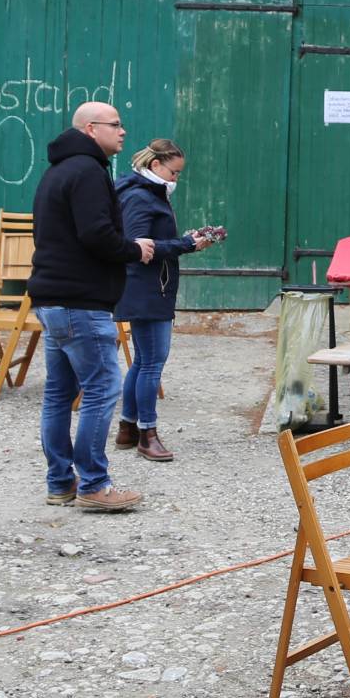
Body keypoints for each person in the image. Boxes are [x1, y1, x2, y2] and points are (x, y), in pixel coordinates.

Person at [28, 102, 154, 512]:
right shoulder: (86, 172)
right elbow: (96, 235)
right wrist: (134, 248)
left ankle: (60, 483)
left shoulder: (57, 171)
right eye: (115, 125)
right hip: (81, 302)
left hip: (52, 300)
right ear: (89, 129)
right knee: (102, 389)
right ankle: (94, 484)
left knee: (58, 395)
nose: (123, 132)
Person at [112, 139, 217, 463]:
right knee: (153, 361)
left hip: (148, 287)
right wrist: (186, 244)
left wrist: (184, 240)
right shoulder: (142, 197)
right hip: (146, 289)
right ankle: (148, 434)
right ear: (156, 166)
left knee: (143, 361)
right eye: (174, 172)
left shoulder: (145, 192)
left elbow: (151, 241)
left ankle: (128, 429)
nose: (176, 179)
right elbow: (138, 245)